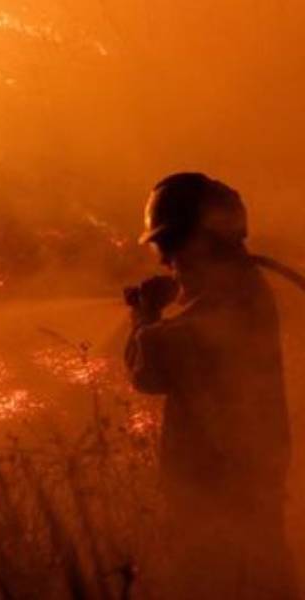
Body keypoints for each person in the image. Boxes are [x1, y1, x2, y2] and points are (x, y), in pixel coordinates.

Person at [124, 173, 297, 599]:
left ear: (203, 241)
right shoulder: (241, 292)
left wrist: (145, 315)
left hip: (223, 508)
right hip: (236, 506)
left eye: (170, 246)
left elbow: (149, 372)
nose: (167, 262)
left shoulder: (229, 304)